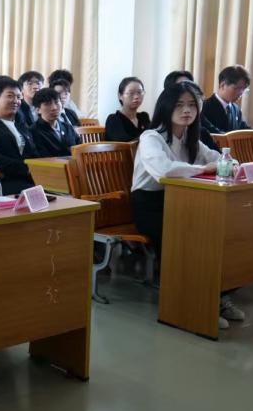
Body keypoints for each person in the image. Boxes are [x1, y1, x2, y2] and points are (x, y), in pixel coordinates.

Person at [130, 81, 244, 329]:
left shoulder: (191, 138)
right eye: (179, 105)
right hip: (150, 205)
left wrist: (231, 163)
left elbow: (219, 158)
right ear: (166, 106)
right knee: (188, 237)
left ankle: (217, 297)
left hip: (184, 200)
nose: (186, 110)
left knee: (221, 232)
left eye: (192, 105)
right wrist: (203, 169)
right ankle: (188, 304)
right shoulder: (151, 137)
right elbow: (164, 170)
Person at [0, 77, 38, 195]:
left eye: (18, 97)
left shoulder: (21, 126)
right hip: (3, 182)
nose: (15, 101)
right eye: (10, 96)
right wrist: (25, 169)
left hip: (30, 180)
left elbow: (33, 152)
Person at [164, 70, 221, 151]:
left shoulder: (201, 133)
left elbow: (218, 157)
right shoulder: (156, 136)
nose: (187, 91)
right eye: (180, 87)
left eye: (191, 87)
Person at [29, 88, 81, 157]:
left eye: (56, 102)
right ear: (37, 110)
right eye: (48, 104)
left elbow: (80, 149)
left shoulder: (68, 127)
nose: (54, 108)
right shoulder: (33, 132)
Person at [202, 65, 252, 133]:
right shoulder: (204, 107)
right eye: (237, 88)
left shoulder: (236, 109)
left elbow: (244, 129)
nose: (240, 93)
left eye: (243, 89)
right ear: (222, 85)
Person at [104, 77, 150, 142]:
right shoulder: (113, 119)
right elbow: (124, 143)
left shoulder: (144, 117)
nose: (136, 97)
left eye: (139, 92)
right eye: (131, 93)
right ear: (120, 96)